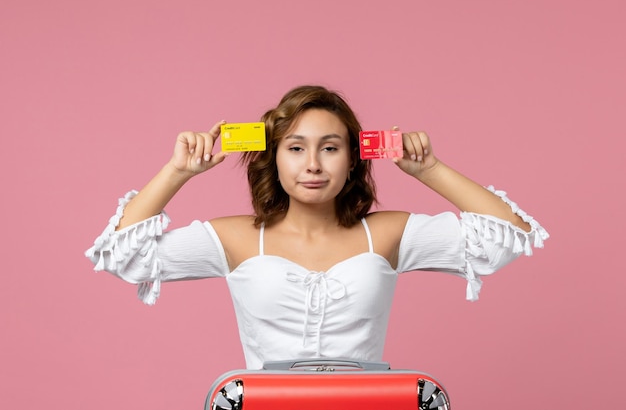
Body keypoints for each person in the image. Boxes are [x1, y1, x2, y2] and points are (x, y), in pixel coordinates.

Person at [85, 85, 548, 369]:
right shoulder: (234, 237)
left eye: (329, 148)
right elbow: (122, 255)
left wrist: (430, 170)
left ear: (352, 160)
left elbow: (506, 235)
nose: (312, 165)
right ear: (274, 158)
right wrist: (177, 172)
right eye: (295, 148)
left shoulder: (386, 234)